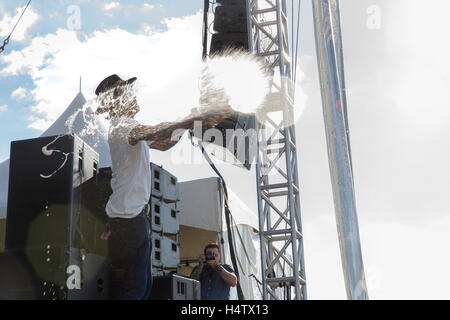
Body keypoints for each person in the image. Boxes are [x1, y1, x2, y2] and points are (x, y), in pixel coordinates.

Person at [95, 74, 234, 300]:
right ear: (116, 99)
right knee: (135, 290)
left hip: (129, 219)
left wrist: (190, 122)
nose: (134, 94)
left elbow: (163, 142)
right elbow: (156, 132)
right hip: (129, 219)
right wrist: (193, 118)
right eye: (127, 91)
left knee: (142, 288)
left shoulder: (125, 127)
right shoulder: (122, 126)